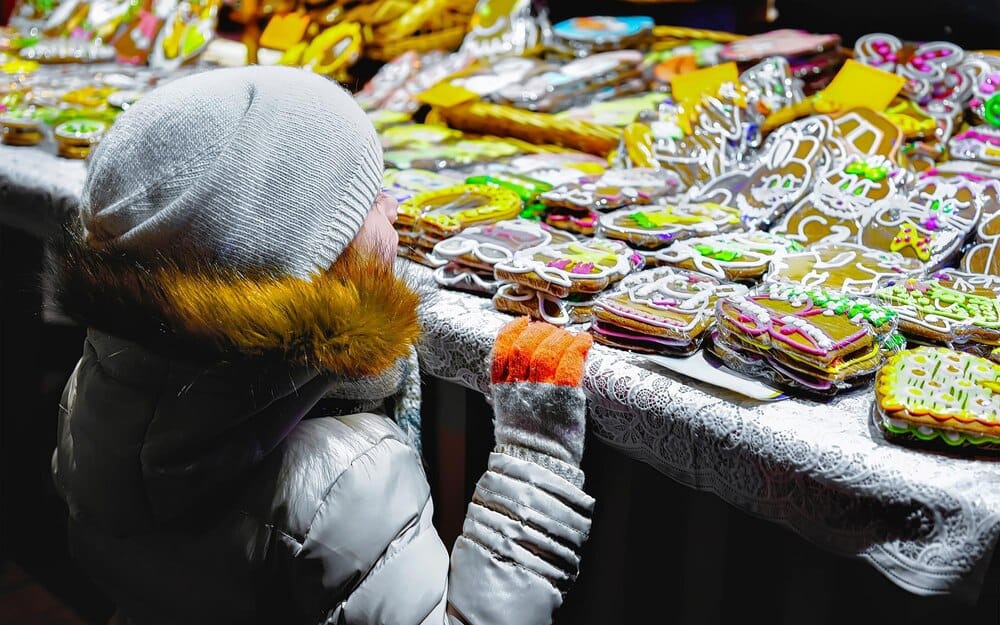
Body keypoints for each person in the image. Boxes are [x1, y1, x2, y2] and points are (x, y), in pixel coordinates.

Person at [47, 65, 596, 625]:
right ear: (320, 274)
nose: (393, 208)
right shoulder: (347, 480)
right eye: (367, 203)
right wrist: (536, 460)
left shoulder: (98, 390)